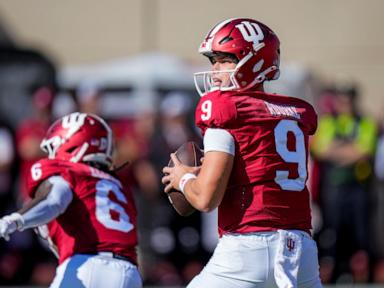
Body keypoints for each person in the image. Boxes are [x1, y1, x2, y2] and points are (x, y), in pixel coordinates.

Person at [162, 18, 321, 287]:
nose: (215, 70)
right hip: (300, 251)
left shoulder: (225, 109)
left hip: (249, 247)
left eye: (224, 60)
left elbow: (205, 199)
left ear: (255, 62)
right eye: (213, 60)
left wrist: (183, 179)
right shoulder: (295, 112)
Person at [0, 112, 142, 288]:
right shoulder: (118, 186)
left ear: (70, 143)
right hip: (130, 273)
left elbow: (54, 200)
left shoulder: (69, 172)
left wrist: (14, 220)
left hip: (88, 265)